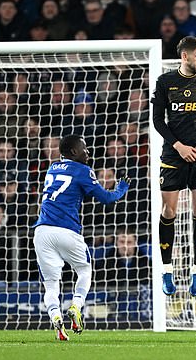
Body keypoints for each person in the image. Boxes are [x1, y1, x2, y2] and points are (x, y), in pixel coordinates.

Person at [33, 135, 130, 341]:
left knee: (51, 284)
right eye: (84, 149)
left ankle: (56, 317)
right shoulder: (83, 170)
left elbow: (69, 192)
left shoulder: (52, 168)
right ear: (75, 152)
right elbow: (106, 198)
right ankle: (76, 306)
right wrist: (121, 189)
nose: (88, 153)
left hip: (41, 232)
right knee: (84, 270)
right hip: (67, 231)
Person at [151, 36, 196, 297]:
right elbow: (158, 120)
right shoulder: (166, 81)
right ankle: (167, 271)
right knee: (169, 210)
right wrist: (178, 145)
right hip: (173, 154)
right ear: (185, 56)